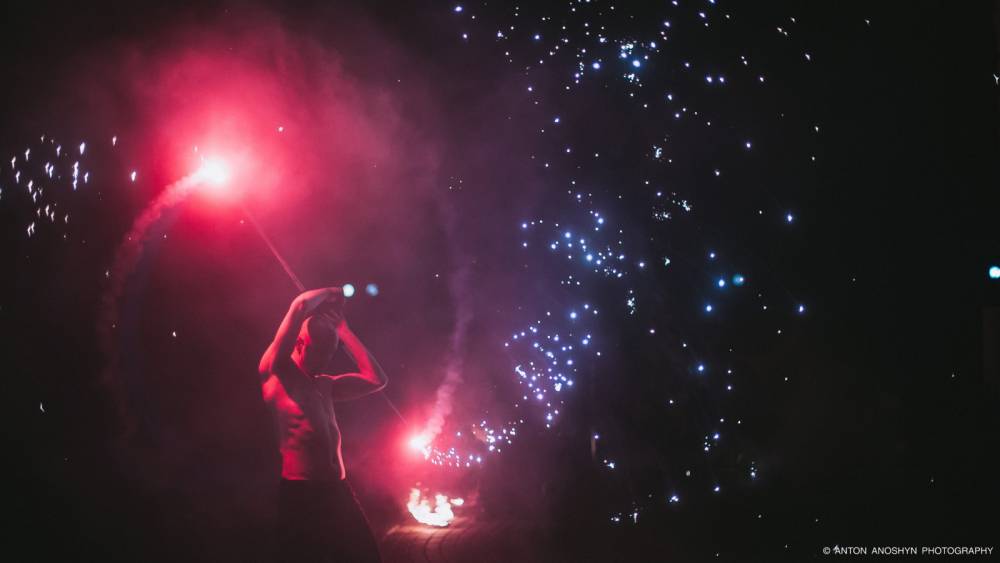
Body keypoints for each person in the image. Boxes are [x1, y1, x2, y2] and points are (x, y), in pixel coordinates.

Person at [258, 287, 388, 563]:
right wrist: (334, 291)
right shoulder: (277, 373)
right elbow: (300, 305)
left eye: (331, 354)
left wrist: (344, 332)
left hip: (338, 491)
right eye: (321, 353)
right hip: (303, 496)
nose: (326, 361)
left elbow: (377, 379)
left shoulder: (325, 385)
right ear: (300, 344)